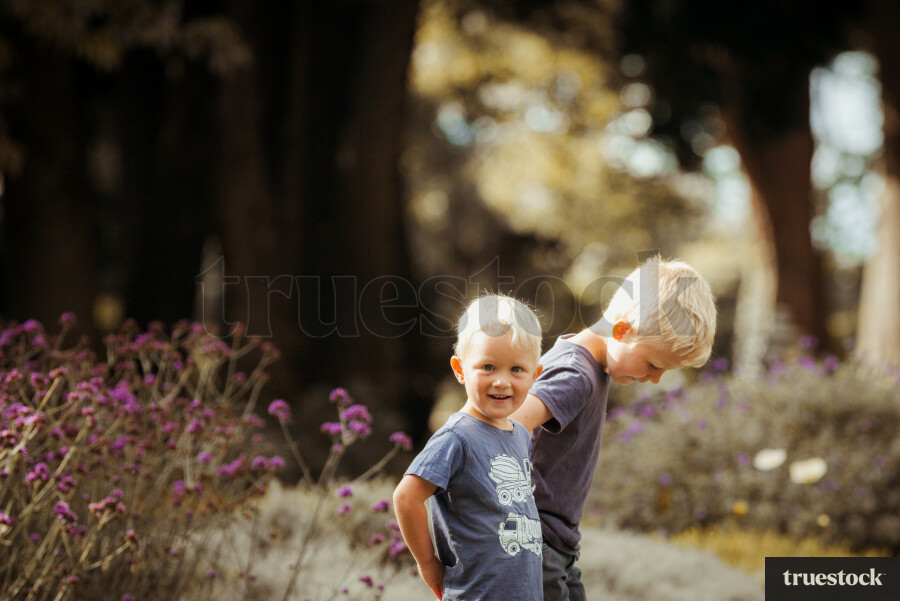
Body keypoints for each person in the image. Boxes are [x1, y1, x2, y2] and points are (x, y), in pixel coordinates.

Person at [510, 255, 717, 601]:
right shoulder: (577, 375)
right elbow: (506, 425)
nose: (653, 380)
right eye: (653, 365)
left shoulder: (589, 366)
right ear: (621, 330)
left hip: (555, 544)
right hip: (536, 542)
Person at [393, 294, 545, 601]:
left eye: (516, 369)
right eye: (488, 366)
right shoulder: (456, 438)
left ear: (535, 375)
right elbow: (407, 497)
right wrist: (428, 563)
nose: (502, 381)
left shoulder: (520, 434)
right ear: (461, 369)